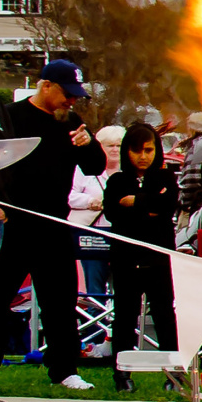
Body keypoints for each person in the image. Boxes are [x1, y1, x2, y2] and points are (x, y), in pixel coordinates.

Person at [0, 59, 108, 395]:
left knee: (61, 301)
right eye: (66, 94)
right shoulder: (11, 116)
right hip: (16, 222)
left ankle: (64, 369)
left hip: (56, 224)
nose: (71, 101)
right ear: (46, 86)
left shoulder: (70, 121)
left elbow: (95, 167)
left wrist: (89, 144)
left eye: (76, 96)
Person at [104, 123, 178, 392]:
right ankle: (122, 374)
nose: (143, 157)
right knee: (125, 316)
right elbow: (113, 213)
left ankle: (174, 373)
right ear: (127, 152)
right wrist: (149, 206)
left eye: (148, 150)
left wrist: (135, 202)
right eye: (137, 151)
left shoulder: (166, 178)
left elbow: (167, 206)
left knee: (164, 314)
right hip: (125, 258)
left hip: (158, 257)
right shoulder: (116, 181)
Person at [69, 123, 124, 298]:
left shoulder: (127, 172)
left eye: (119, 145)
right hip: (92, 235)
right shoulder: (83, 169)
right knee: (94, 285)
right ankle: (95, 314)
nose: (115, 150)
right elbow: (69, 195)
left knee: (123, 286)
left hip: (120, 234)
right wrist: (90, 201)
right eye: (110, 145)